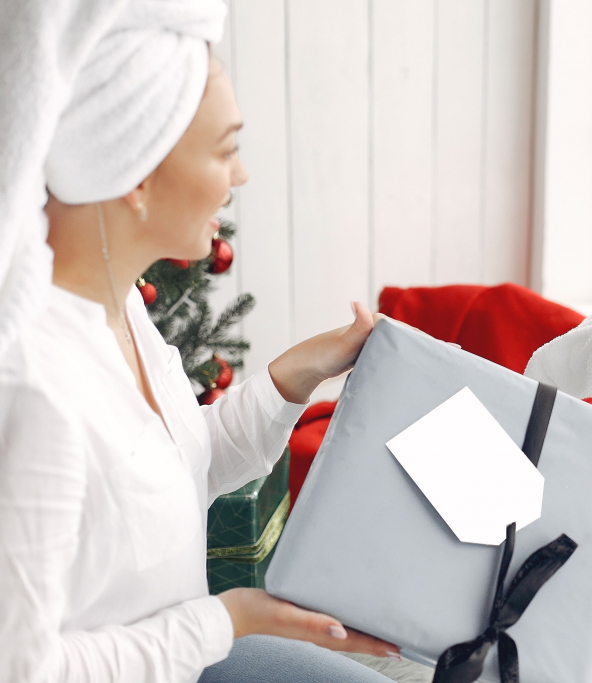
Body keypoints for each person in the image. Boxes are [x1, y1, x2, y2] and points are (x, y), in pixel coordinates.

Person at [0, 1, 397, 681]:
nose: (240, 177)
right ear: (137, 176)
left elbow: (170, 471)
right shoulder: (36, 390)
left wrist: (295, 375)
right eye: (226, 149)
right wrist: (227, 620)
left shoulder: (117, 304)